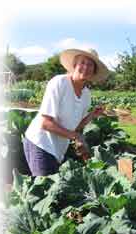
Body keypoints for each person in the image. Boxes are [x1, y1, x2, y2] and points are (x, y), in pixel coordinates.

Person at [23, 48, 109, 176]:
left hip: (57, 149)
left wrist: (92, 115)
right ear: (75, 65)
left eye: (90, 65)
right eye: (82, 62)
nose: (86, 67)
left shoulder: (86, 95)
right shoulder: (59, 83)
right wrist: (75, 137)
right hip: (41, 143)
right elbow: (45, 123)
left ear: (93, 72)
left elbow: (75, 127)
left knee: (52, 188)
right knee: (45, 189)